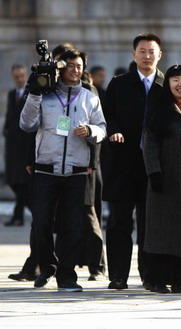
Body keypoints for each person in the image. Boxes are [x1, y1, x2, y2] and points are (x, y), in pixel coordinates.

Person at [20, 48, 106, 292]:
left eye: (79, 66)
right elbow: (26, 124)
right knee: (42, 223)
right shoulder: (44, 95)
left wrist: (91, 131)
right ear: (60, 68)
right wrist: (35, 93)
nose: (75, 70)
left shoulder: (89, 97)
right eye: (70, 65)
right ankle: (48, 267)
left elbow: (102, 127)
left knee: (72, 226)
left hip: (76, 171)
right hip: (46, 169)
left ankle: (67, 276)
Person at [103, 32, 164, 290]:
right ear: (134, 54)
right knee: (119, 222)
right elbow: (107, 115)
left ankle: (150, 275)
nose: (147, 56)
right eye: (142, 51)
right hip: (123, 164)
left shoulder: (168, 84)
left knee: (151, 224)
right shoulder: (119, 84)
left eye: (152, 51)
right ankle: (118, 275)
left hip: (155, 167)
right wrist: (114, 130)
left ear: (160, 54)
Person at [143, 64, 181, 294]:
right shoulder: (159, 107)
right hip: (164, 178)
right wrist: (154, 172)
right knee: (161, 231)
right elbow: (150, 143)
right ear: (168, 84)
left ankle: (178, 280)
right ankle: (156, 279)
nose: (180, 85)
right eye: (175, 80)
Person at [3, 64, 32, 227]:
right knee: (14, 181)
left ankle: (18, 216)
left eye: (22, 76)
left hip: (25, 144)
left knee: (22, 182)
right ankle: (22, 214)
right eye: (16, 77)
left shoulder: (31, 93)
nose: (19, 79)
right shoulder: (12, 94)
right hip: (13, 144)